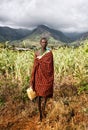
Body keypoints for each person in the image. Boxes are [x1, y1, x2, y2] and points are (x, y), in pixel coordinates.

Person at [30, 37, 54, 121]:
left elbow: (50, 66)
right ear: (40, 43)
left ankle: (43, 109)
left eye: (45, 42)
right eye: (42, 42)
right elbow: (34, 65)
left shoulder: (49, 53)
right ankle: (40, 114)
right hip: (38, 76)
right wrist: (32, 78)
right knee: (39, 96)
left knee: (45, 95)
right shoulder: (37, 52)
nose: (44, 44)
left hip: (46, 77)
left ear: (47, 43)